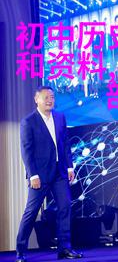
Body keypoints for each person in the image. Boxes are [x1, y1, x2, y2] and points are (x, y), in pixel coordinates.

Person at [16, 86, 82, 261]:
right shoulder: (28, 121)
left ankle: (64, 248)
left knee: (65, 208)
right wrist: (33, 175)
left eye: (52, 97)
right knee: (31, 212)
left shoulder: (60, 117)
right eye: (46, 97)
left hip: (60, 172)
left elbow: (65, 143)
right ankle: (20, 251)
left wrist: (69, 167)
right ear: (36, 99)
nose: (50, 100)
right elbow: (26, 151)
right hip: (40, 175)